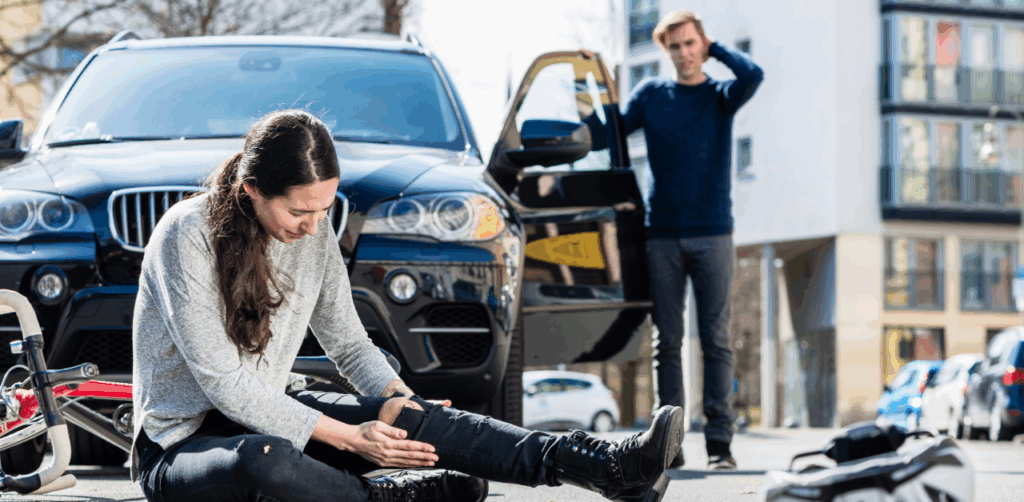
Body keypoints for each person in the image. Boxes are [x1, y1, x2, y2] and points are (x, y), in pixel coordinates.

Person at [129, 109, 686, 502]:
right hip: (182, 447)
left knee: (410, 418)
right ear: (252, 189)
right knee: (264, 459)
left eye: (325, 209)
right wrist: (350, 437)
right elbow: (224, 384)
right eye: (301, 211)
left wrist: (402, 400)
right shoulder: (187, 234)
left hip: (273, 412)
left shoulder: (315, 232)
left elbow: (348, 343)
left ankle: (606, 467)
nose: (315, 224)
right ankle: (391, 500)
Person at [602, 11, 763, 470]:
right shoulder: (652, 95)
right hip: (662, 236)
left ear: (702, 44)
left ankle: (720, 445)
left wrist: (717, 50)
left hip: (713, 233)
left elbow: (754, 74)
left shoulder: (721, 95)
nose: (684, 53)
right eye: (675, 47)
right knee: (666, 341)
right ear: (666, 51)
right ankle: (668, 444)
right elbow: (609, 129)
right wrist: (587, 80)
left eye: (691, 44)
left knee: (715, 337)